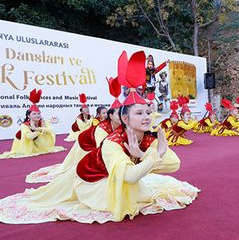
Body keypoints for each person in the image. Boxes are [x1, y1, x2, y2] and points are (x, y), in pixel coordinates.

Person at [0, 50, 199, 224]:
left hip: (123, 173)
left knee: (140, 187)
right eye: (139, 113)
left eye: (148, 112)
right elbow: (130, 176)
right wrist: (150, 156)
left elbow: (174, 164)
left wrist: (150, 154)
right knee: (124, 198)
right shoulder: (112, 141)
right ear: (124, 117)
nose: (146, 117)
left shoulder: (149, 136)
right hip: (93, 180)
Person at [25, 77, 123, 183]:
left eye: (124, 113)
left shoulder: (113, 122)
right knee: (79, 167)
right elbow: (102, 148)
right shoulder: (100, 126)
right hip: (84, 145)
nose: (123, 116)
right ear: (110, 115)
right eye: (119, 114)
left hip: (94, 142)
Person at [0, 89, 65, 159]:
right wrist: (39, 130)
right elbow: (29, 137)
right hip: (25, 145)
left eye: (38, 113)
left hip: (38, 144)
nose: (37, 115)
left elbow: (51, 131)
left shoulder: (44, 122)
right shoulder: (25, 125)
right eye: (34, 114)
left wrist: (38, 129)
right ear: (28, 116)